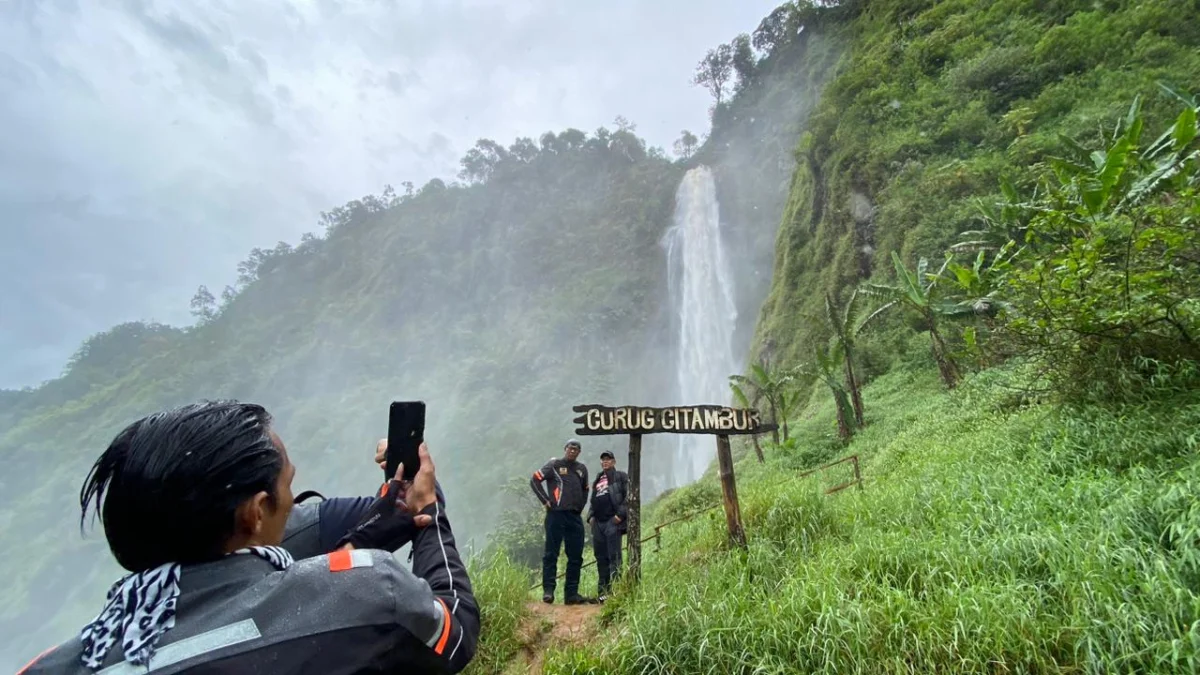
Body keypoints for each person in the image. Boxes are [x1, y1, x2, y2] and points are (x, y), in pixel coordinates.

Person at [17, 401, 478, 674]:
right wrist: (429, 515)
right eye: (287, 485)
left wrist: (384, 517)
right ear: (256, 513)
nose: (294, 499)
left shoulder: (50, 665)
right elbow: (454, 635)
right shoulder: (373, 593)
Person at [529, 439, 589, 604]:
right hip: (556, 514)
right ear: (565, 449)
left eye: (576, 449)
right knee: (551, 554)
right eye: (570, 448)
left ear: (579, 452)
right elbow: (534, 480)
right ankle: (548, 591)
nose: (573, 451)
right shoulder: (554, 464)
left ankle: (571, 594)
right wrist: (545, 501)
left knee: (576, 556)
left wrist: (581, 506)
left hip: (574, 517)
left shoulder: (581, 469)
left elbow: (585, 490)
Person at [585, 450, 629, 601]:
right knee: (601, 558)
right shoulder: (598, 479)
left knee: (614, 557)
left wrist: (620, 516)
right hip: (598, 523)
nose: (605, 461)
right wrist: (590, 516)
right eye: (603, 459)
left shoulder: (621, 476)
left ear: (614, 462)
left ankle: (616, 591)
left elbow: (629, 496)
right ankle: (603, 593)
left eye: (608, 459)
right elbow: (594, 499)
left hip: (612, 522)